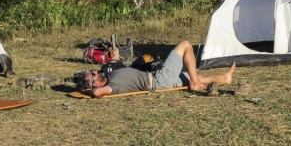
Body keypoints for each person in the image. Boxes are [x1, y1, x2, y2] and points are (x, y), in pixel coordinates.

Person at [78, 40, 236, 98]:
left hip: (158, 77)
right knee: (185, 45)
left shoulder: (109, 76)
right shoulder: (112, 86)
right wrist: (89, 91)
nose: (95, 72)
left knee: (192, 73)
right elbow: (98, 93)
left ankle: (224, 79)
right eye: (93, 75)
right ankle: (195, 83)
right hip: (159, 79)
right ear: (95, 84)